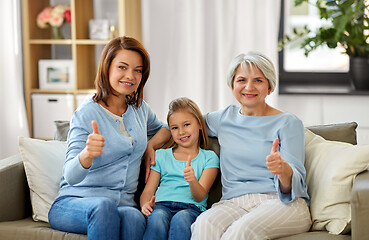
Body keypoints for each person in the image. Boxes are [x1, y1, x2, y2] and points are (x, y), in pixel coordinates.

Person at [48, 36, 171, 240]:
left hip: (121, 205)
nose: (130, 76)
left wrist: (151, 145)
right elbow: (70, 175)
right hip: (74, 204)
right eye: (122, 67)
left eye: (138, 70)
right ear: (107, 68)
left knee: (134, 217)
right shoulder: (86, 114)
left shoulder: (140, 109)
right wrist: (87, 155)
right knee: (104, 206)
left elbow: (167, 128)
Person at [190, 52, 312, 239]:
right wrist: (152, 144)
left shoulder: (288, 122)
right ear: (232, 84)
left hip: (282, 203)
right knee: (204, 225)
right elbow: (181, 124)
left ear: (269, 86)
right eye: (241, 80)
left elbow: (293, 186)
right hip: (233, 203)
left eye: (258, 80)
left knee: (241, 231)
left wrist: (283, 170)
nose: (249, 87)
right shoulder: (223, 119)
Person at [140, 97, 220, 240]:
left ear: (200, 125)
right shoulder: (161, 155)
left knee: (181, 218)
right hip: (161, 205)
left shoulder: (209, 158)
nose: (181, 132)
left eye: (187, 124)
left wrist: (192, 180)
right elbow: (148, 191)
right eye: (175, 128)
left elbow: (199, 195)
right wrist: (145, 204)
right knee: (157, 217)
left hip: (191, 208)